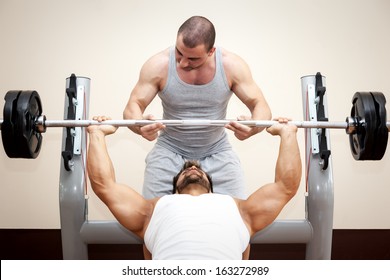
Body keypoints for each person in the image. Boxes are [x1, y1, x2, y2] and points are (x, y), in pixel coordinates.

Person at [87, 116, 301, 260]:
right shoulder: (153, 210)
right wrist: (96, 134)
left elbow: (285, 187)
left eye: (198, 169)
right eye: (185, 170)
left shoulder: (240, 210)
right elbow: (104, 186)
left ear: (212, 185)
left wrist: (288, 133)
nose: (192, 166)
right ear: (174, 188)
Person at [123, 16, 271, 199]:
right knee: (152, 215)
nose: (183, 62)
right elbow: (133, 105)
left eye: (193, 58)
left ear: (211, 52)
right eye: (179, 52)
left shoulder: (231, 66)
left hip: (217, 150)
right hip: (169, 149)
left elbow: (261, 106)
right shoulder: (158, 65)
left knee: (236, 215)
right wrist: (139, 126)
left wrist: (253, 128)